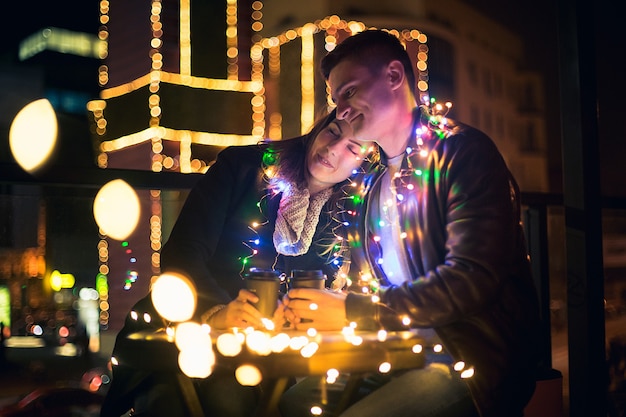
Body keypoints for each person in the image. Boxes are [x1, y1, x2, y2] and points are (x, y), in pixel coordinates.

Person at [279, 29, 542, 417]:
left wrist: (354, 311)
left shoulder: (462, 152)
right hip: (394, 350)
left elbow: (473, 277)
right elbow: (371, 284)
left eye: (349, 91)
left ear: (393, 76)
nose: (341, 111)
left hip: (470, 358)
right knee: (293, 405)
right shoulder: (370, 183)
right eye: (336, 100)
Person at [100, 110, 376, 417]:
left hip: (260, 356)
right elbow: (182, 253)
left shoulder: (342, 219)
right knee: (193, 400)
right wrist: (215, 312)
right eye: (333, 132)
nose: (333, 148)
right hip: (177, 332)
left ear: (362, 164)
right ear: (316, 130)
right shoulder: (243, 168)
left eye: (353, 148)